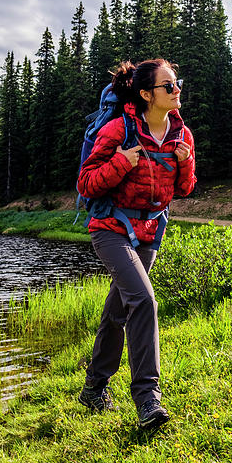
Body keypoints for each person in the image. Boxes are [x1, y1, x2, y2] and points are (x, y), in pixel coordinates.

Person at [76, 58, 196, 429]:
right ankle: (148, 400)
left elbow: (184, 189)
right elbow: (86, 183)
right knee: (143, 300)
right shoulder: (118, 130)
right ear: (146, 94)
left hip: (150, 232)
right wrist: (119, 165)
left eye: (176, 83)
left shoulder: (182, 135)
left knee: (118, 310)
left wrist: (186, 163)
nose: (176, 91)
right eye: (168, 86)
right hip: (110, 228)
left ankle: (94, 387)